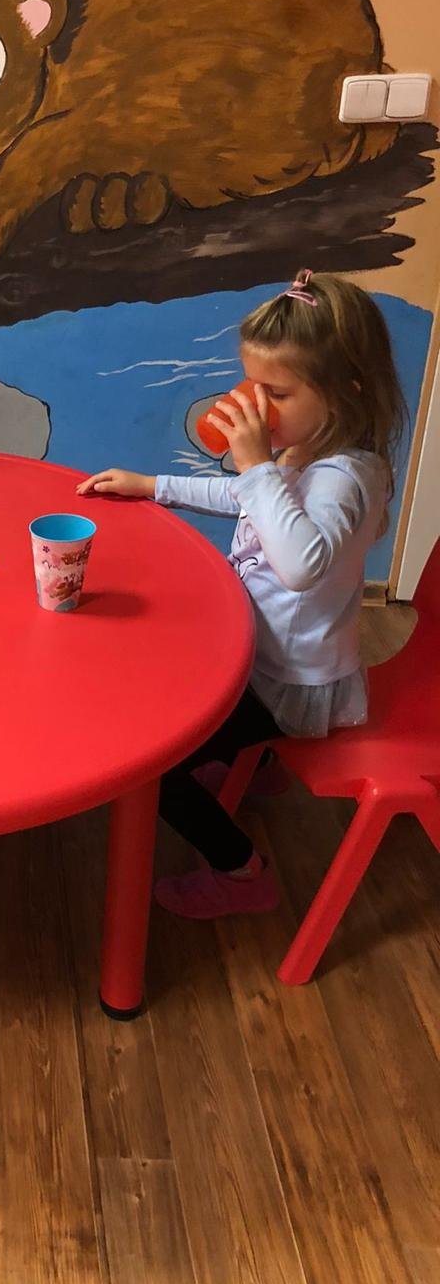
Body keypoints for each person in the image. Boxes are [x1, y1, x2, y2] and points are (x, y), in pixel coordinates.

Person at [76, 269, 407, 918]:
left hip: (284, 682)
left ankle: (241, 873)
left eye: (275, 392)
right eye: (252, 386)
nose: (255, 407)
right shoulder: (307, 448)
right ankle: (255, 766)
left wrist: (256, 465)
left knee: (154, 769)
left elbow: (302, 565)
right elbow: (246, 499)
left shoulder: (343, 479)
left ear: (346, 391)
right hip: (260, 651)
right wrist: (153, 485)